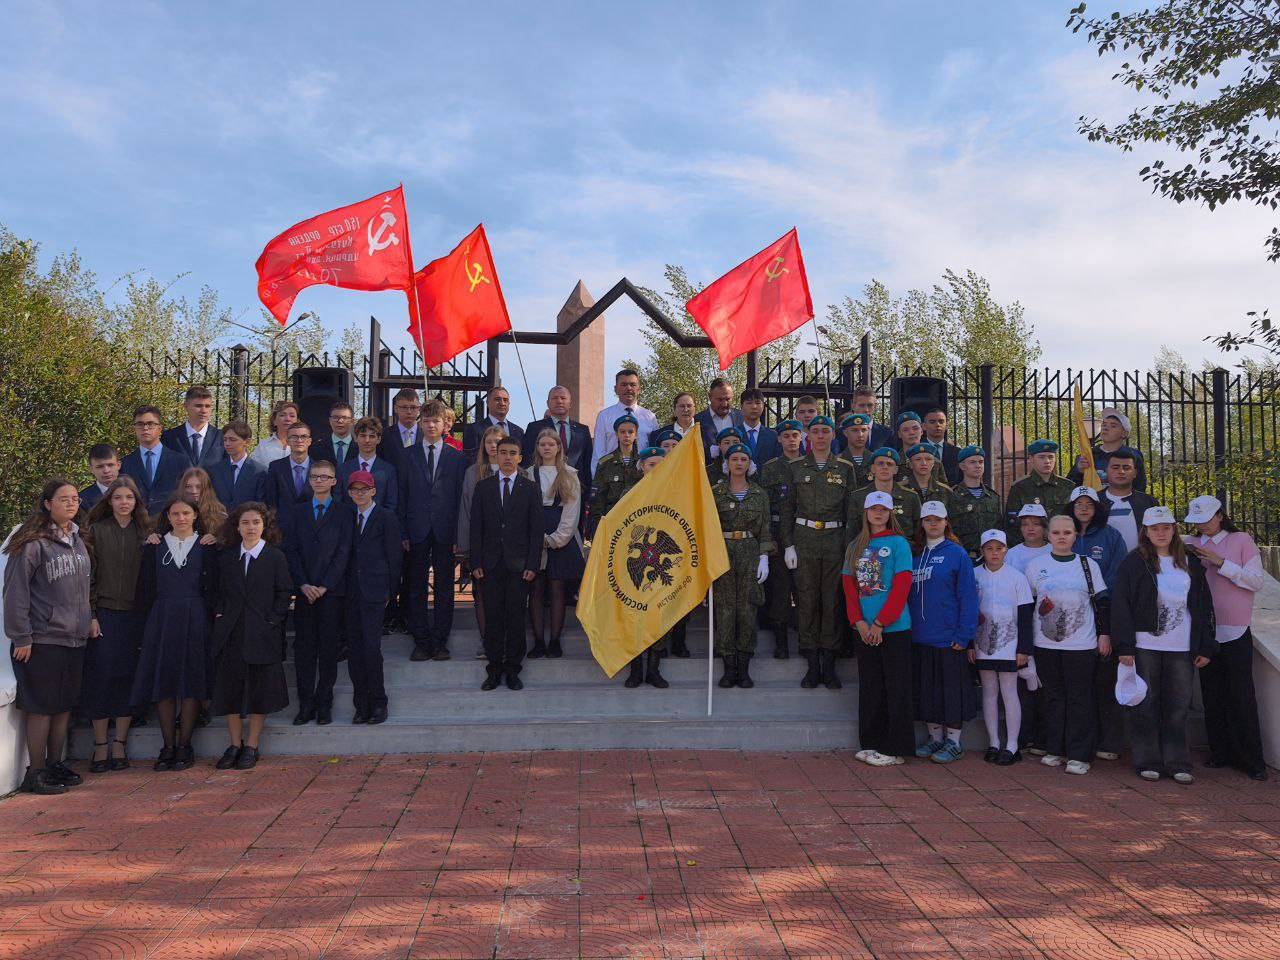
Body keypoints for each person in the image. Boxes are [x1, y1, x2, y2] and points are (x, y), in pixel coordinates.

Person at [1111, 506, 1216, 784]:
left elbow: (1203, 605)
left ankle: (1178, 762)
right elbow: (1121, 605)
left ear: (1174, 530)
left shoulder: (1190, 562)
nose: (1161, 533)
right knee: (1145, 703)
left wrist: (1205, 646)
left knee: (1178, 706)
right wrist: (1124, 646)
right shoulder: (1134, 562)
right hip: (1144, 645)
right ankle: (1148, 760)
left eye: (1166, 528)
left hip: (1181, 647)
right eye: (1155, 528)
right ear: (1145, 532)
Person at [3, 480, 92, 795]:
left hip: (74, 637)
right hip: (42, 639)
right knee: (41, 706)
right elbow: (15, 592)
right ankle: (36, 772)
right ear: (47, 504)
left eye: (75, 498)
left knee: (63, 705)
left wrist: (89, 618)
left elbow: (83, 588)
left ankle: (55, 765)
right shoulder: (33, 542)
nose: (71, 503)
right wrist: (21, 636)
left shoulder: (77, 539)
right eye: (63, 499)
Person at [1184, 495, 1268, 780]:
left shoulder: (1241, 540)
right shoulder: (1191, 544)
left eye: (1207, 519)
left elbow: (1256, 581)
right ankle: (1219, 753)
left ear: (1220, 515)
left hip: (1235, 630)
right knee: (1212, 696)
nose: (1202, 525)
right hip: (1205, 633)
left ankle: (1252, 760)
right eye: (1197, 521)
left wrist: (1221, 563)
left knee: (1241, 696)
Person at [130, 495, 215, 772]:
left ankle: (184, 745)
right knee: (163, 681)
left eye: (186, 513)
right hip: (162, 619)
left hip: (195, 618)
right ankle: (167, 745)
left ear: (195, 515)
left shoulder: (207, 546)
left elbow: (214, 587)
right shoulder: (154, 546)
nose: (181, 518)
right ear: (167, 517)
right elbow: (144, 588)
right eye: (175, 514)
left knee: (191, 681)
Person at [1024, 514, 1111, 775]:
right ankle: (1055, 749)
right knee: (1053, 697)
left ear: (1075, 536)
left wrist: (1105, 634)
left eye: (1067, 532)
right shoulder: (1035, 566)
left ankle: (1079, 755)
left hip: (1081, 645)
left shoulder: (1088, 565)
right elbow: (1028, 606)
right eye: (1056, 532)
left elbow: (1102, 602)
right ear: (1048, 535)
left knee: (1079, 699)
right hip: (1046, 644)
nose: (1061, 537)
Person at [209, 503, 292, 770]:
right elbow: (218, 592)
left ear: (264, 525)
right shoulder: (227, 558)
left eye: (256, 522)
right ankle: (235, 744)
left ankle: (252, 745)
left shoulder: (275, 557)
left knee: (260, 691)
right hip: (231, 633)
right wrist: (221, 614)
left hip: (262, 633)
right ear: (237, 527)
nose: (251, 527)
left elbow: (284, 593)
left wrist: (272, 620)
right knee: (230, 690)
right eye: (245, 522)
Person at [780, 415, 856, 690]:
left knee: (832, 601)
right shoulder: (795, 467)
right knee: (807, 600)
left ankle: (830, 665)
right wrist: (788, 544)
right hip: (805, 539)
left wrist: (849, 547)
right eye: (816, 431)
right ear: (808, 436)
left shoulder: (845, 468)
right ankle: (812, 664)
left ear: (834, 435)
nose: (821, 436)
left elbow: (851, 513)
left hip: (835, 540)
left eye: (826, 431)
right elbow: (787, 509)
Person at [80, 477, 149, 773]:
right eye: (118, 497)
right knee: (101, 677)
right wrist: (92, 614)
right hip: (104, 614)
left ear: (136, 502)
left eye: (129, 498)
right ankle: (99, 744)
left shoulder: (145, 533)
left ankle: (119, 742)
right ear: (109, 501)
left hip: (135, 616)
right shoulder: (96, 531)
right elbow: (88, 577)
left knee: (126, 677)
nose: (124, 502)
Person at [844, 490, 914, 766]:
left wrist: (881, 622)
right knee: (871, 688)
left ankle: (895, 748)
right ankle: (871, 742)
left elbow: (901, 587)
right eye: (874, 509)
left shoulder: (899, 544)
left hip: (893, 629)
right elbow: (849, 588)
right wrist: (859, 622)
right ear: (866, 512)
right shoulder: (855, 546)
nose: (878, 513)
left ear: (890, 513)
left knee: (896, 688)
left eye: (883, 509)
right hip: (864, 630)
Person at [281, 460, 352, 726]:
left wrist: (325, 585)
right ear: (309, 481)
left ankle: (324, 704)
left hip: (331, 593)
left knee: (328, 650)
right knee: (304, 651)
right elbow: (291, 550)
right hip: (305, 593)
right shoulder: (297, 512)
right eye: (314, 477)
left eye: (324, 477)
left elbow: (344, 552)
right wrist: (303, 584)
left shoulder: (345, 512)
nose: (319, 480)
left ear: (334, 481)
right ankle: (305, 705)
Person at [909, 502, 979, 764]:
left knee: (951, 692)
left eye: (937, 519)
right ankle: (934, 738)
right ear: (922, 523)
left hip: (949, 638)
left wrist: (964, 635)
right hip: (920, 637)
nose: (933, 524)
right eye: (928, 520)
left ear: (946, 522)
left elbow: (968, 597)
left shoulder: (956, 553)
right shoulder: (915, 554)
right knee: (927, 691)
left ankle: (954, 742)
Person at [470, 436, 542, 691]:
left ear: (520, 458)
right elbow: (476, 528)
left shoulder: (530, 488)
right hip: (490, 564)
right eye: (503, 453)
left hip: (519, 566)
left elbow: (536, 530)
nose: (508, 457)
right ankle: (493, 669)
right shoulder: (483, 487)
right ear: (495, 456)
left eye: (513, 453)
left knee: (515, 617)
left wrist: (532, 564)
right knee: (493, 617)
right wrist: (475, 561)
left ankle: (512, 669)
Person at [399, 400, 467, 662]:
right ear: (420, 424)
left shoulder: (457, 458)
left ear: (444, 425)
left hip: (445, 531)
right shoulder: (408, 455)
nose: (430, 425)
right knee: (415, 587)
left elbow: (460, 498)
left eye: (435, 421)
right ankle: (421, 640)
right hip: (416, 530)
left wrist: (458, 535)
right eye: (426, 421)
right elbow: (402, 496)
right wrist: (404, 532)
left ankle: (440, 641)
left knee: (444, 587)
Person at [1067, 485, 1128, 763]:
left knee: (1105, 682)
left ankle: (1109, 740)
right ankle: (1081, 740)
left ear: (1097, 508)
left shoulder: (1111, 536)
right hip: (1072, 620)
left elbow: (1117, 576)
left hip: (1103, 614)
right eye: (1078, 504)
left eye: (1089, 504)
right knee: (1079, 684)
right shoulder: (1064, 534)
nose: (1083, 509)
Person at [712, 443, 775, 690]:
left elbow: (765, 528)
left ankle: (744, 668)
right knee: (725, 609)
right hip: (723, 551)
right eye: (735, 459)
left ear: (750, 464)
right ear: (727, 464)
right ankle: (729, 668)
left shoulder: (759, 494)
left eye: (743, 459)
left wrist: (764, 556)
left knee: (748, 608)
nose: (739, 463)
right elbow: (709, 528)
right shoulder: (716, 493)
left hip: (750, 551)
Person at [971, 530, 1033, 765]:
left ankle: (1012, 745)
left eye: (999, 548)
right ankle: (994, 742)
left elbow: (1025, 615)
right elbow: (968, 611)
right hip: (982, 643)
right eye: (989, 548)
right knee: (989, 691)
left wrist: (1024, 649)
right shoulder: (974, 575)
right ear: (982, 551)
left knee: (1009, 692)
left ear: (1006, 550)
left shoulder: (1017, 577)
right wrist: (968, 644)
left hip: (1010, 644)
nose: (994, 553)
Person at [345, 471, 403, 724]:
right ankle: (361, 705)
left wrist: (391, 591)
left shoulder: (386, 517)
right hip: (350, 592)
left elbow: (394, 556)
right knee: (354, 649)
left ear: (373, 491)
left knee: (371, 647)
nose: (360, 494)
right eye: (355, 490)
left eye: (364, 489)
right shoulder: (347, 517)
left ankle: (379, 702)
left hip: (375, 590)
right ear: (349, 493)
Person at [525, 429, 585, 660]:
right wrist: (535, 538)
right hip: (534, 533)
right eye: (543, 444)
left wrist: (556, 539)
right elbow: (523, 509)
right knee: (536, 589)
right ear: (537, 448)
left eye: (551, 444)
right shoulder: (528, 474)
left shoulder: (569, 474)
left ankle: (555, 641)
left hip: (561, 534)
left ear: (559, 447)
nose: (547, 448)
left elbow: (572, 511)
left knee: (557, 588)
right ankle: (539, 641)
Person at [621, 447, 674, 688]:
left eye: (660, 464)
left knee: (659, 617)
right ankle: (635, 670)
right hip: (637, 562)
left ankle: (654, 669)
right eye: (651, 464)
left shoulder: (674, 493)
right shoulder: (629, 492)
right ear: (642, 467)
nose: (656, 469)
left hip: (663, 563)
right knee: (635, 616)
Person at [458, 425, 506, 650]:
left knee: (505, 597)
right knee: (482, 595)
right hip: (482, 546)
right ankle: (487, 642)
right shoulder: (472, 472)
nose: (494, 445)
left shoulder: (518, 472)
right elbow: (466, 510)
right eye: (489, 442)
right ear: (483, 446)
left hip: (508, 548)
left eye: (498, 441)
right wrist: (466, 547)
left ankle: (504, 641)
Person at [760, 419, 805, 659]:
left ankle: (805, 640)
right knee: (780, 587)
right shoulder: (770, 468)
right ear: (779, 439)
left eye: (795, 435)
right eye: (786, 436)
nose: (791, 440)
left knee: (804, 587)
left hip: (804, 532)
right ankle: (781, 643)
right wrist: (769, 540)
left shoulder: (809, 465)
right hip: (778, 530)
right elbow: (764, 508)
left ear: (801, 437)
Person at [1005, 440, 1075, 542]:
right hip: (1031, 546)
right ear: (1031, 459)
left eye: (1051, 457)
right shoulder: (1020, 487)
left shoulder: (1068, 486)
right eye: (1041, 457)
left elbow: (1074, 519)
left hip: (1061, 544)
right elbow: (1012, 524)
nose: (1047, 461)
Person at [846, 448, 923, 539]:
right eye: (880, 463)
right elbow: (852, 534)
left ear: (896, 470)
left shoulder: (910, 497)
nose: (885, 467)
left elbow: (919, 532)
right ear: (873, 468)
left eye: (889, 464)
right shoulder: (858, 497)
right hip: (868, 546)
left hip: (902, 546)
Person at [120, 405, 185, 513]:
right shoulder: (125, 463)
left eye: (150, 424)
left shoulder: (180, 461)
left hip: (169, 519)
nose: (145, 428)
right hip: (136, 520)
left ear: (160, 428)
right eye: (140, 424)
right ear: (134, 428)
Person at [592, 368, 659, 471]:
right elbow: (598, 452)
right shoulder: (604, 416)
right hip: (612, 474)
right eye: (624, 385)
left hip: (643, 475)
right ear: (616, 389)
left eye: (633, 385)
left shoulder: (650, 417)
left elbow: (655, 452)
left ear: (639, 389)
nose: (628, 388)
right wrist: (597, 478)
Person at [589, 414, 642, 539]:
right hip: (612, 520)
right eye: (622, 432)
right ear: (617, 435)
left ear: (636, 435)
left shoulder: (643, 462)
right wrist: (599, 525)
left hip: (638, 521)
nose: (626, 435)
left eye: (630, 432)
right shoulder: (605, 462)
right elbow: (598, 499)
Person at [523, 385, 592, 482]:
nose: (559, 401)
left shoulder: (582, 430)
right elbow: (528, 458)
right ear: (548, 403)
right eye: (555, 398)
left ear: (570, 403)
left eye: (563, 398)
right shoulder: (534, 428)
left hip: (576, 484)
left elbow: (587, 462)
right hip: (543, 484)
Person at [947, 446, 1003, 563]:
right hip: (962, 557)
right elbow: (947, 529)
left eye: (981, 462)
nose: (978, 465)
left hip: (990, 559)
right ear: (962, 466)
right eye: (972, 462)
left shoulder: (993, 497)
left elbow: (1000, 528)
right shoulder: (952, 496)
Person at [1070, 408, 1148, 492]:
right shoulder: (1087, 455)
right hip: (1093, 500)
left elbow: (1140, 487)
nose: (1106, 428)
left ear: (1124, 433)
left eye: (1113, 426)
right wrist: (1079, 471)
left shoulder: (1133, 455)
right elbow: (1070, 487)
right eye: (1104, 425)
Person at [1100, 448, 1158, 553]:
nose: (1121, 472)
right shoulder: (1095, 501)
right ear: (1107, 471)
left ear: (1135, 473)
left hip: (1141, 562)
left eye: (1126, 468)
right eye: (1115, 467)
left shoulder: (1149, 503)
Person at [339, 416, 399, 514]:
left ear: (378, 439)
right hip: (348, 521)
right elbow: (338, 501)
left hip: (379, 522)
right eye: (363, 436)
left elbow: (391, 504)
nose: (367, 440)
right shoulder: (343, 469)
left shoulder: (388, 470)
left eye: (372, 436)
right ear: (355, 438)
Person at [162, 385, 225, 470]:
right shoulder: (169, 437)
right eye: (198, 406)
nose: (204, 411)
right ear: (186, 406)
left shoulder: (221, 437)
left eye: (207, 406)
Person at [209, 421, 268, 508]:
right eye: (225, 439)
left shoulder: (260, 472)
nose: (227, 443)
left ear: (247, 442)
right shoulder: (215, 470)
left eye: (232, 440)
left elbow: (261, 504)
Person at [463, 386, 525, 461]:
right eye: (497, 399)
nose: (502, 403)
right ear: (488, 403)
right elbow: (470, 459)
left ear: (509, 403)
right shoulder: (474, 429)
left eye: (505, 400)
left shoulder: (518, 431)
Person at [265, 421, 314, 511]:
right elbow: (271, 500)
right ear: (287, 441)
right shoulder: (275, 467)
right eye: (294, 436)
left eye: (303, 436)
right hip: (283, 519)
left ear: (309, 441)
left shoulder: (318, 467)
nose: (299, 440)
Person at [695, 378, 746, 459]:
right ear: (710, 397)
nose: (724, 404)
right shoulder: (697, 421)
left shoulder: (742, 418)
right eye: (720, 400)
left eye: (728, 399)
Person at [376, 387, 421, 474]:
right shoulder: (384, 436)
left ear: (418, 409)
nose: (409, 412)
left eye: (413, 407)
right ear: (396, 408)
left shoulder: (427, 435)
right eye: (404, 407)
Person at [179, 467, 228, 537]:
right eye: (188, 486)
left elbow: (226, 539)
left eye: (198, 487)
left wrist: (216, 539)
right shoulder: (174, 511)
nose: (194, 491)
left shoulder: (219, 515)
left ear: (206, 488)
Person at [249, 400, 299, 468]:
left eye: (292, 416)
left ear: (297, 421)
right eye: (282, 415)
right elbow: (253, 469)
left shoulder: (303, 444)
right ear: (274, 421)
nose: (288, 419)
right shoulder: (263, 446)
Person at [311, 400, 360, 468]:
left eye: (344, 418)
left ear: (352, 421)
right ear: (330, 420)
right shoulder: (317, 447)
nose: (340, 421)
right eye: (335, 417)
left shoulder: (360, 447)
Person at [1005, 505, 1051, 574]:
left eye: (1036, 524)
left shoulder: (1055, 551)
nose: (1030, 528)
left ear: (1044, 527)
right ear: (1020, 528)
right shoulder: (1011, 554)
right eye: (1025, 524)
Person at [921, 408, 961, 485]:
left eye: (941, 421)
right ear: (924, 426)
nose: (937, 425)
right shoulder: (917, 451)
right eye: (932, 422)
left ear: (947, 426)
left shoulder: (957, 452)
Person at [738, 388, 778, 466]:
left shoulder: (773, 436)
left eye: (758, 403)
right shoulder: (734, 434)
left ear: (763, 406)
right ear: (741, 407)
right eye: (749, 403)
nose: (754, 406)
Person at [850, 386, 894, 451]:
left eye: (870, 405)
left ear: (875, 406)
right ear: (853, 406)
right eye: (862, 405)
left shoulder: (887, 434)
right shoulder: (842, 433)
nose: (866, 410)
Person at [79, 444, 121, 512]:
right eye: (100, 467)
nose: (106, 471)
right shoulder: (83, 500)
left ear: (118, 465)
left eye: (110, 465)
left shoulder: (134, 492)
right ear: (91, 469)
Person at [837, 414, 874, 487]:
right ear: (845, 433)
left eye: (864, 430)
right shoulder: (837, 460)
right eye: (854, 430)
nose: (860, 435)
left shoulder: (876, 460)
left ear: (868, 431)